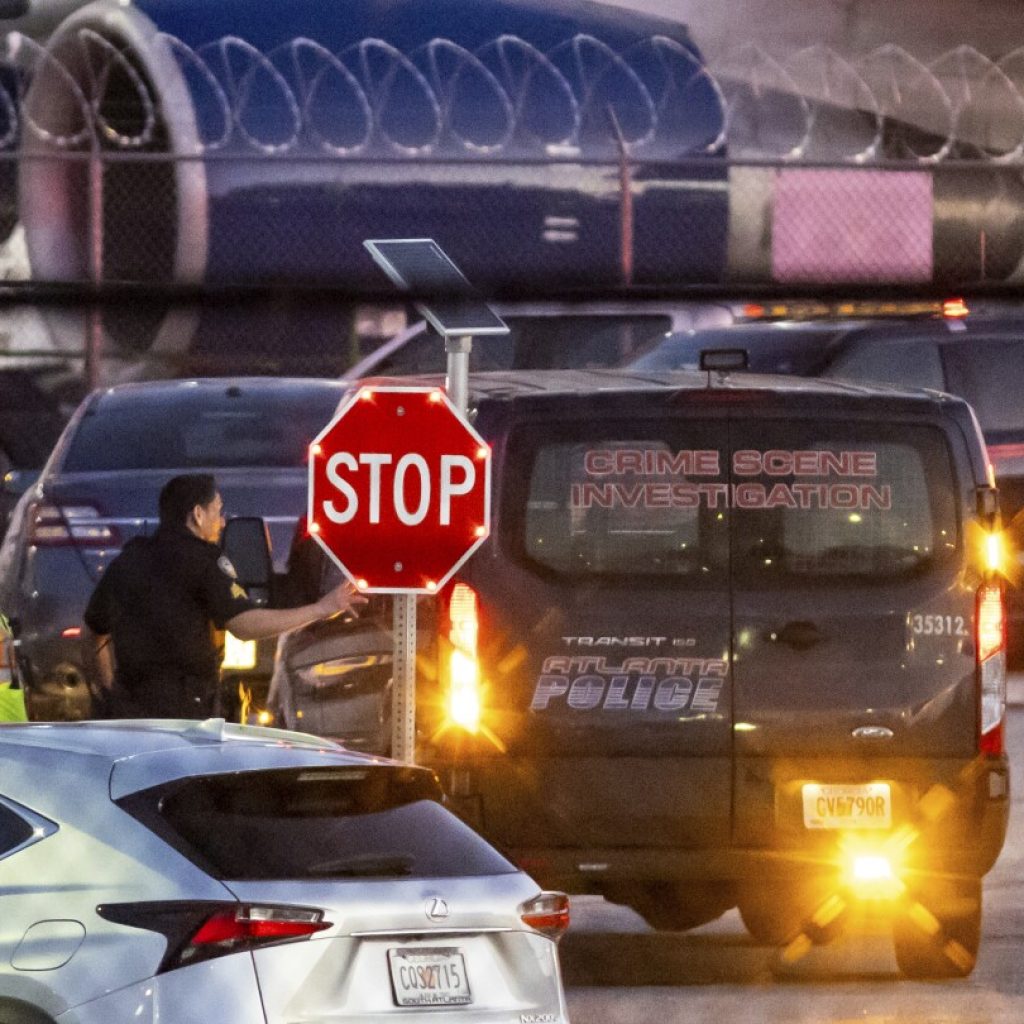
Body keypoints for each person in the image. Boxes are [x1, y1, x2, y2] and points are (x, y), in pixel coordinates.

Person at [82, 473, 365, 719]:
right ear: (197, 514)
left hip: (130, 710)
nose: (221, 522)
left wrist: (108, 690)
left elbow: (94, 631)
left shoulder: (130, 559)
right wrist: (322, 608)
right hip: (186, 714)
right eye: (217, 511)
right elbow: (244, 625)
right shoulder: (206, 561)